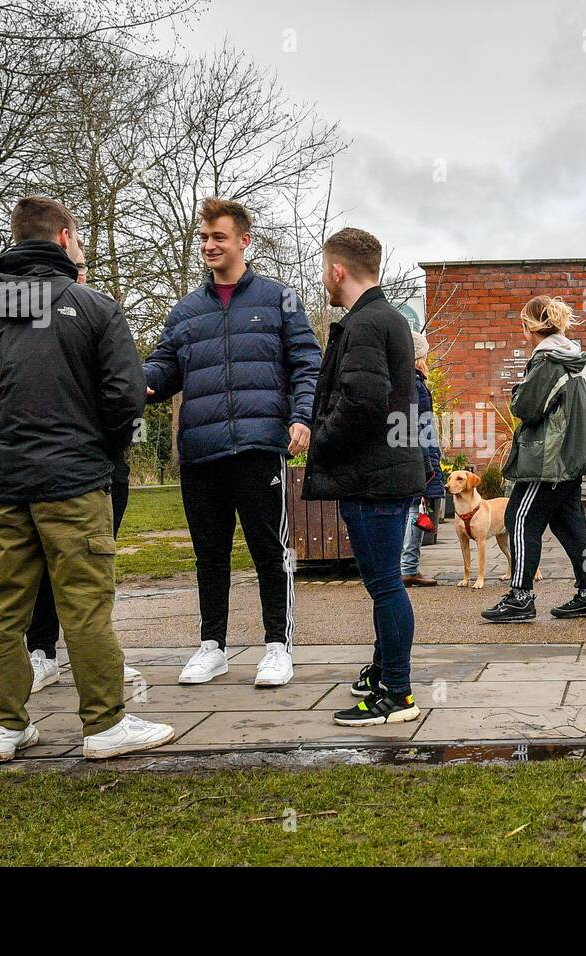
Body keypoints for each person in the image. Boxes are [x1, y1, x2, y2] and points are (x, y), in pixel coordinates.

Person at [0, 195, 173, 761]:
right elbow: (125, 398)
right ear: (65, 238)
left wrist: (0, 444)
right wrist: (100, 450)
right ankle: (103, 726)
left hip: (6, 485)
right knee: (85, 602)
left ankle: (3, 725)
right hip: (75, 483)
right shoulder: (94, 306)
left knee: (2, 603)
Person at [143, 198, 322, 689]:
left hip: (260, 445)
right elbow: (164, 368)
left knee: (271, 548)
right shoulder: (186, 311)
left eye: (218, 237)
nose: (208, 246)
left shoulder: (280, 299)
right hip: (201, 451)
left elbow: (308, 363)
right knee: (210, 553)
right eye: (203, 238)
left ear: (243, 240)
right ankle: (212, 646)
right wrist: (135, 381)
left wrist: (302, 417)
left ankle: (277, 646)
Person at [303, 227, 425, 725]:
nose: (324, 280)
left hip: (372, 477)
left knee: (385, 586)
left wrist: (321, 439)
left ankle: (397, 693)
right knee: (386, 583)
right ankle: (383, 671)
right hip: (386, 473)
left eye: (324, 270)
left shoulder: (366, 324)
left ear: (338, 270)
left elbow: (363, 402)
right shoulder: (387, 318)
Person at [24, 240, 142, 692]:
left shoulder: (99, 314)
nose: (80, 274)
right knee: (41, 565)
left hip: (102, 463)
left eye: (83, 268)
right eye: (75, 266)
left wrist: (108, 446)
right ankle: (41, 651)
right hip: (47, 462)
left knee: (93, 567)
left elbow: (125, 391)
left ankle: (96, 656)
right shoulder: (20, 317)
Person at [481, 295, 586, 623]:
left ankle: (520, 597)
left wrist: (517, 391)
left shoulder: (547, 360)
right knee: (571, 526)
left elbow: (526, 408)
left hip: (547, 461)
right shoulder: (569, 356)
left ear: (529, 326)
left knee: (519, 521)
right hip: (569, 458)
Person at [400, 331, 443, 587]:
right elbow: (423, 426)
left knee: (410, 509)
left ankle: (406, 566)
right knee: (416, 510)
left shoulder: (402, 381)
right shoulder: (416, 384)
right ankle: (408, 567)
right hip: (419, 456)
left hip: (406, 453)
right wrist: (430, 465)